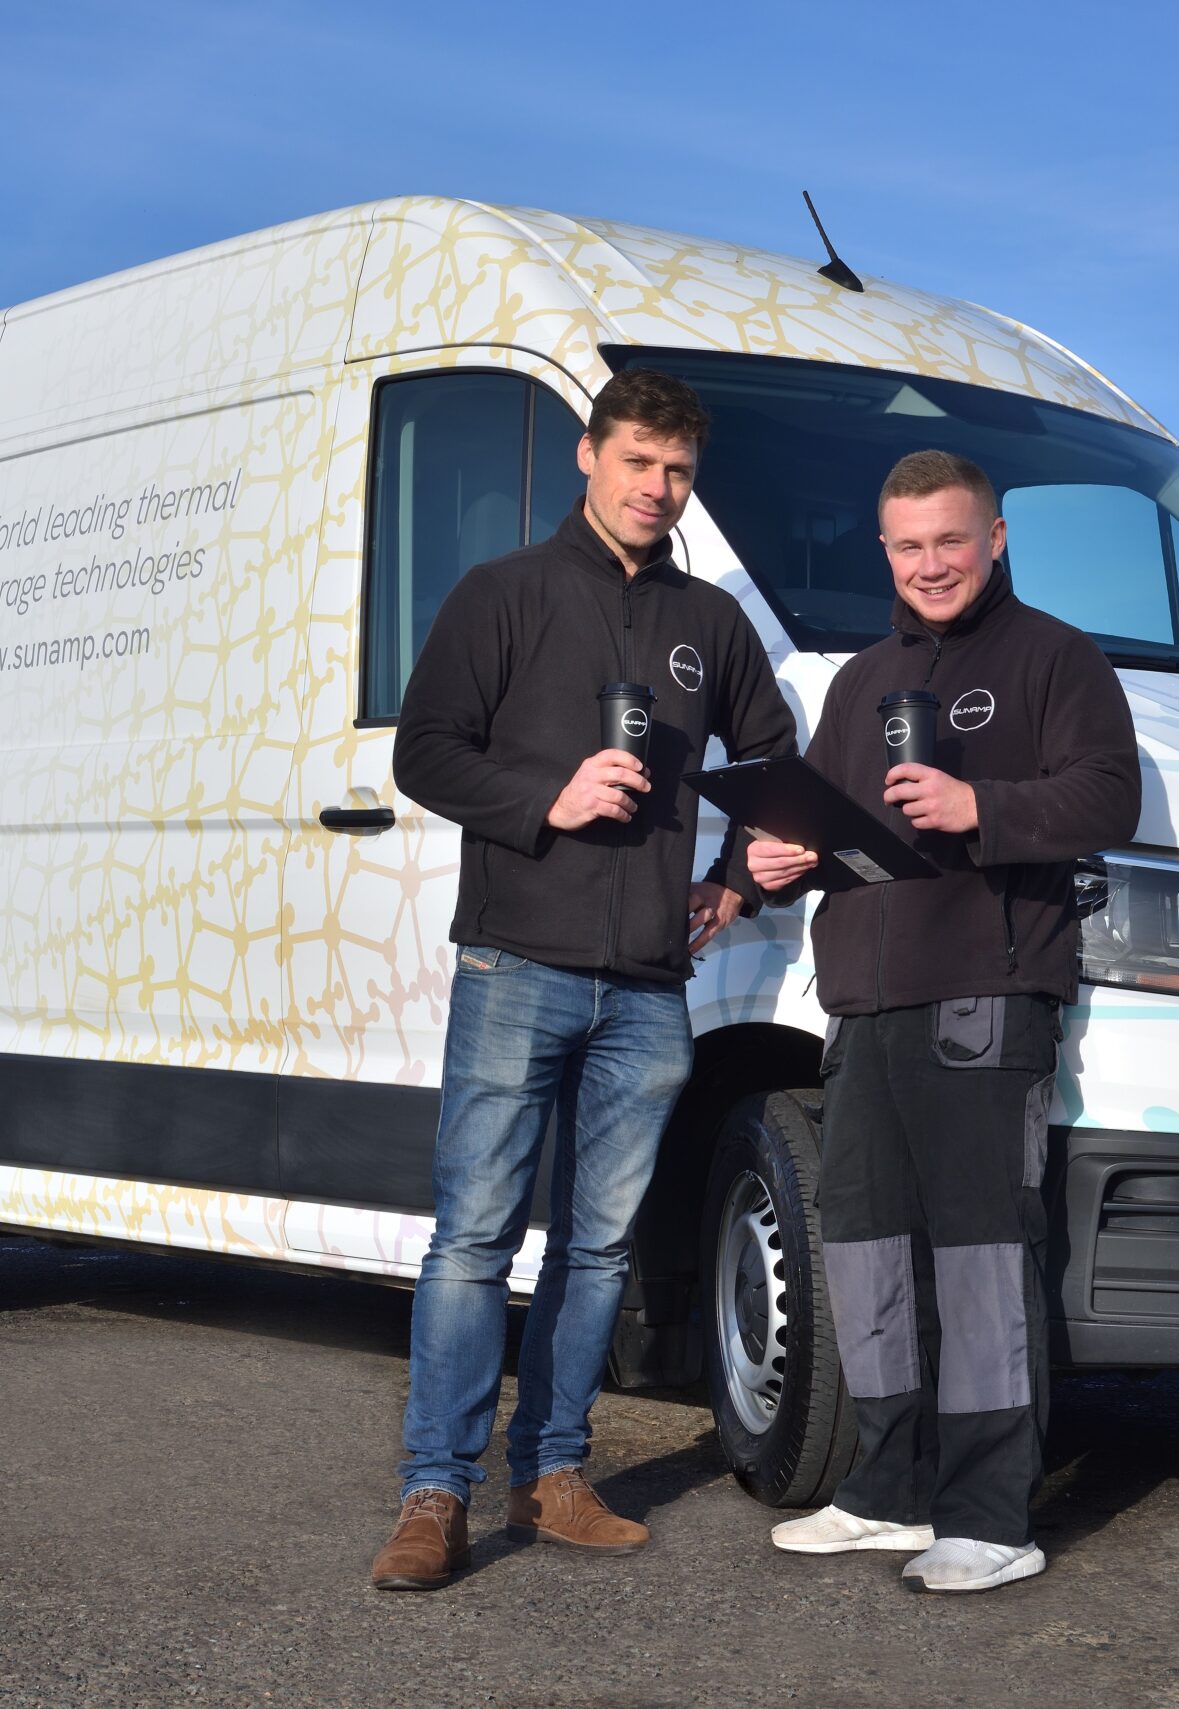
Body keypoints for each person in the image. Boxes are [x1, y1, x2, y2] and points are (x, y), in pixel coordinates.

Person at [370, 369, 798, 1591]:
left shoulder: (709, 622)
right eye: (638, 462)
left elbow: (773, 759)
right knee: (473, 1239)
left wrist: (735, 880)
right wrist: (545, 799)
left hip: (651, 987)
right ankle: (435, 1492)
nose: (657, 488)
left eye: (677, 471)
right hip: (516, 961)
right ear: (588, 455)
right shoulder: (502, 593)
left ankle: (553, 1472)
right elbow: (424, 751)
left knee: (599, 1248)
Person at [746, 449, 1140, 1593]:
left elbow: (1109, 794)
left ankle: (989, 1515)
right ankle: (888, 1489)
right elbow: (821, 820)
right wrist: (776, 857)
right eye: (909, 545)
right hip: (863, 1003)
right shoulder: (860, 682)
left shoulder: (1054, 657)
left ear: (996, 538)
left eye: (951, 540)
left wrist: (983, 805)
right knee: (867, 1252)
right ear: (884, 550)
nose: (930, 564)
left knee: (980, 1257)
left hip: (985, 994)